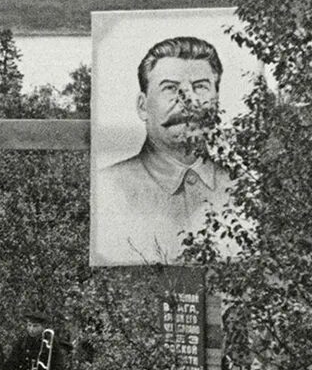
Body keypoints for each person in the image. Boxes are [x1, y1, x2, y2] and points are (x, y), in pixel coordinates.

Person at [94, 34, 235, 264]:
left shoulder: (244, 191)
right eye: (170, 88)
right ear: (142, 106)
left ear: (217, 101)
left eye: (200, 87)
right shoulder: (107, 188)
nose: (188, 100)